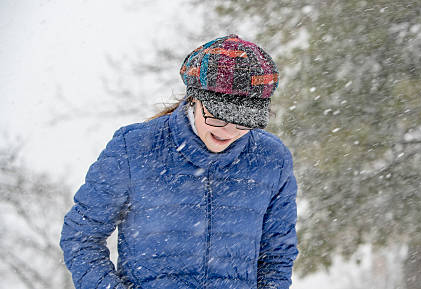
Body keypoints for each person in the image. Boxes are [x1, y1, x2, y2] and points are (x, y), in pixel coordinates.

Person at [60, 34, 298, 289]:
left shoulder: (272, 160)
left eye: (243, 122)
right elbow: (81, 237)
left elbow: (277, 257)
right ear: (194, 99)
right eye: (217, 117)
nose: (228, 131)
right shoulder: (135, 148)